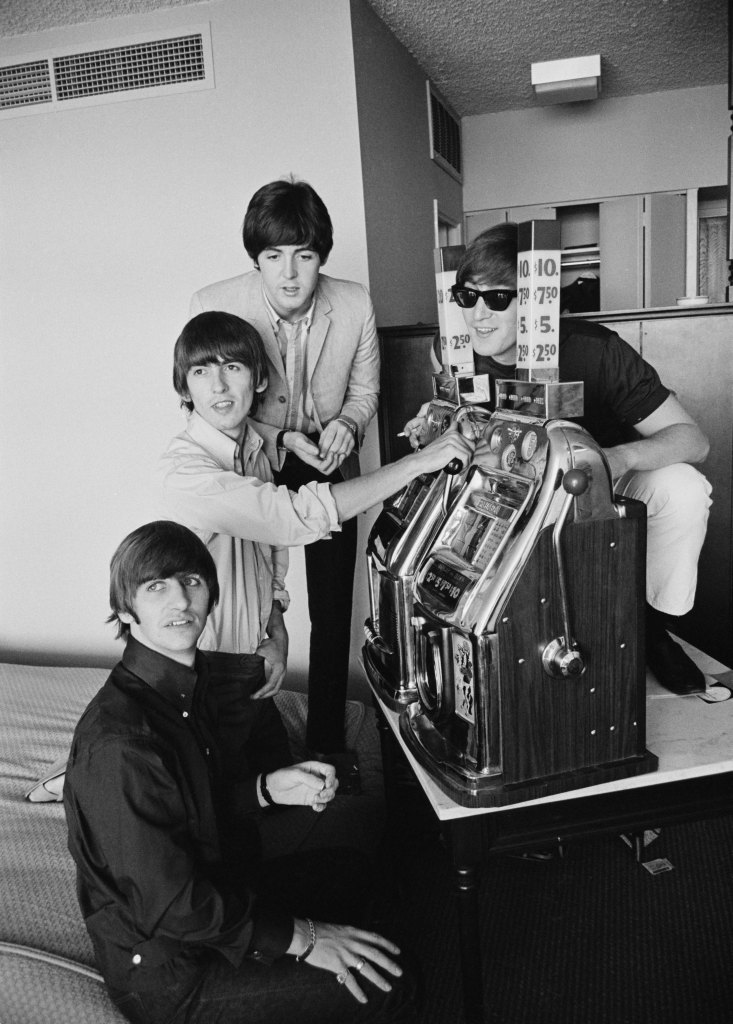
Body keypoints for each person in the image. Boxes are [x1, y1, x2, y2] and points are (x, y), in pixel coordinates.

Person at [64, 520, 418, 1024]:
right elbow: (173, 906)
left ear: (211, 595)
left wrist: (266, 790)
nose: (181, 602)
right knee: (395, 983)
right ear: (125, 610)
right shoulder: (121, 744)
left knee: (350, 870)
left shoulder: (190, 686)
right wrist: (306, 938)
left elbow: (192, 809)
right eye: (156, 587)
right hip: (172, 970)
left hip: (216, 890)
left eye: (191, 582)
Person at [404, 222, 712, 696]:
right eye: (467, 297)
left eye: (499, 299)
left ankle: (648, 625)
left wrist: (609, 459)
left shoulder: (596, 350)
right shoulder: (449, 350)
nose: (478, 315)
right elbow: (457, 433)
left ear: (535, 302)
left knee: (685, 487)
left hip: (594, 487)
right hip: (500, 497)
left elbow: (693, 440)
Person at [158, 311, 473, 731]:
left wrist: (276, 634)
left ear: (259, 381)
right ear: (184, 386)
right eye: (201, 371)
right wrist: (420, 462)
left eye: (232, 368)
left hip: (245, 666)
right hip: (194, 676)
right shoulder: (185, 473)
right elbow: (297, 517)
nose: (218, 386)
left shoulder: (253, 448)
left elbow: (266, 557)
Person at [189, 178, 378, 771]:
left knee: (329, 608)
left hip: (327, 458)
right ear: (256, 259)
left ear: (322, 255)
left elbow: (365, 388)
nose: (289, 274)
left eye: (304, 255)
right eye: (273, 257)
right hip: (252, 457)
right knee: (239, 597)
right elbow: (209, 401)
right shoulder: (214, 305)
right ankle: (234, 732)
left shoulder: (355, 303)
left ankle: (325, 740)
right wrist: (282, 437)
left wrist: (348, 422)